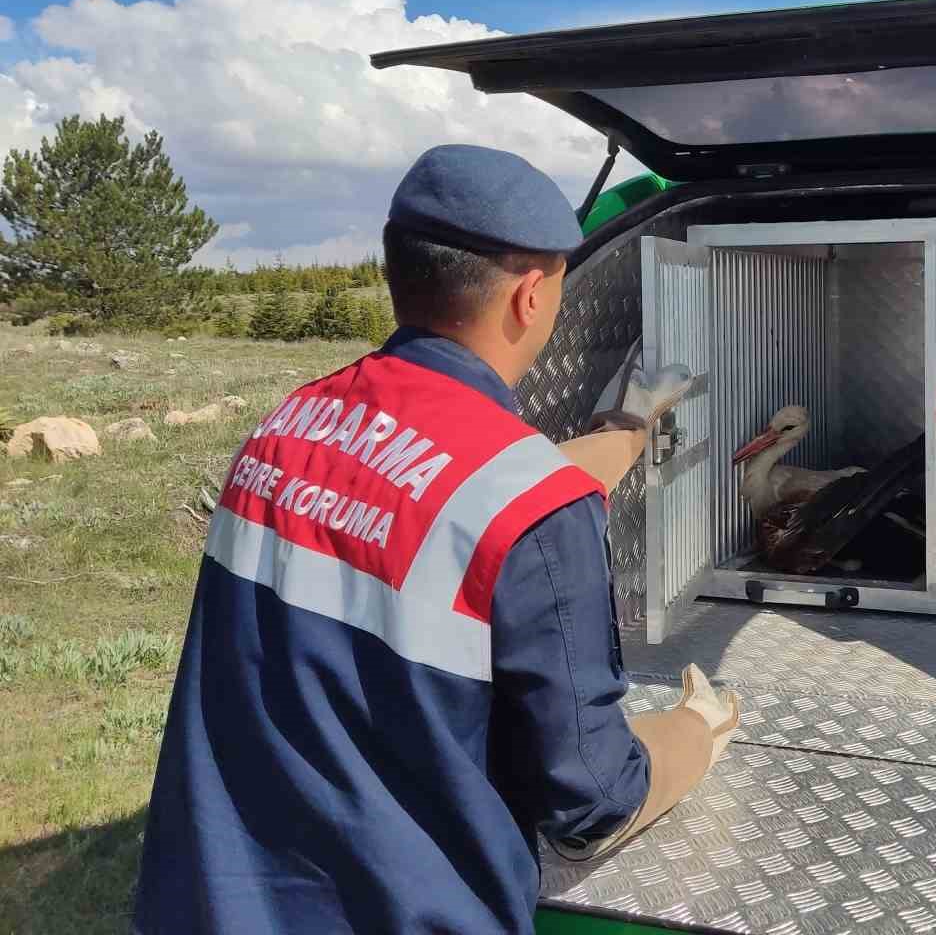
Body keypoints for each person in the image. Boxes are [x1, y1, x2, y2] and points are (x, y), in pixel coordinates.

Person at [133, 144, 739, 934]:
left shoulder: (289, 425)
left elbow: (446, 489)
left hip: (213, 904)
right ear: (530, 296)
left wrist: (626, 429)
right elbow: (592, 801)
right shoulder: (530, 504)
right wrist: (700, 727)